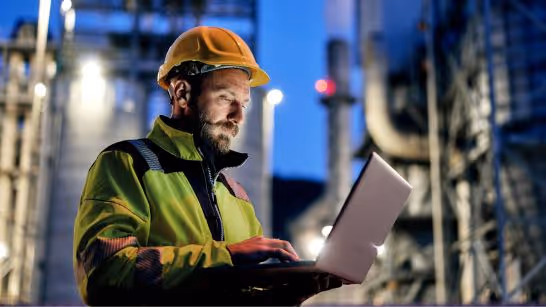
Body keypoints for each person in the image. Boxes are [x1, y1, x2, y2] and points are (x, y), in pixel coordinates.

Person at [73, 26, 342, 305]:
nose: (238, 116)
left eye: (244, 104)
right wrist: (226, 256)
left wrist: (287, 296)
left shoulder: (237, 197)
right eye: (226, 98)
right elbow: (105, 274)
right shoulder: (128, 165)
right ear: (182, 93)